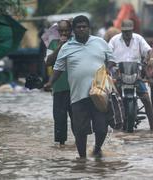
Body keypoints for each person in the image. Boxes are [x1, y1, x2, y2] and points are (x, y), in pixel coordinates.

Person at [44, 15, 114, 158]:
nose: (82, 29)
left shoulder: (100, 42)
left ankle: (97, 148)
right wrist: (50, 83)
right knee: (80, 131)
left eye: (84, 26)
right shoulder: (66, 47)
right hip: (77, 96)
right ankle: (82, 158)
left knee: (101, 128)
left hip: (98, 94)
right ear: (74, 30)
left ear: (89, 28)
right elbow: (58, 68)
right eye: (78, 27)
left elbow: (112, 60)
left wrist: (108, 72)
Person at [107, 19, 153, 131]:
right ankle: (110, 124)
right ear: (121, 30)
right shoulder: (114, 40)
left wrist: (151, 58)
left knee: (146, 99)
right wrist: (108, 65)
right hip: (119, 75)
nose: (127, 33)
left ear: (132, 30)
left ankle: (152, 127)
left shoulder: (138, 39)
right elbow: (107, 53)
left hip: (135, 75)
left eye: (129, 31)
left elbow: (149, 50)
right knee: (109, 98)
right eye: (124, 31)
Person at [45, 20, 73, 146]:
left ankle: (79, 144)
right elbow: (48, 62)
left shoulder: (76, 42)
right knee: (60, 119)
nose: (64, 33)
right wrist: (59, 47)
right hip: (59, 87)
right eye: (61, 31)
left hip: (75, 88)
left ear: (71, 30)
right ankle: (61, 146)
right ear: (57, 32)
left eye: (66, 30)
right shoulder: (53, 44)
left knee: (77, 119)